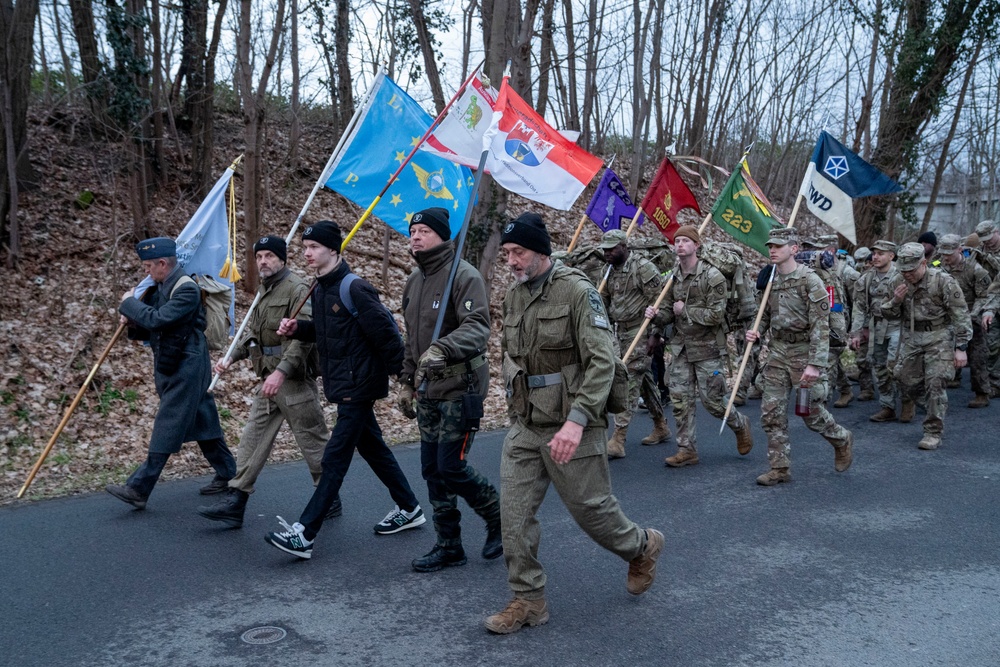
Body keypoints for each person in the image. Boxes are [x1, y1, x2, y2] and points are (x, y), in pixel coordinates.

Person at [485, 212, 664, 634]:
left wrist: (577, 421)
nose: (511, 261)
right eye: (507, 253)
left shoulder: (578, 292)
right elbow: (513, 356)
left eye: (519, 252)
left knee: (592, 513)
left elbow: (603, 361)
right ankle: (528, 600)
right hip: (527, 424)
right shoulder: (514, 296)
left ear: (541, 251)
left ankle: (641, 546)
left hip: (572, 420)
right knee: (512, 516)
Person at [264, 221, 425, 559]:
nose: (307, 253)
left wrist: (407, 380)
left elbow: (387, 337)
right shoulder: (320, 288)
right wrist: (299, 329)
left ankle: (306, 533)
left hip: (359, 385)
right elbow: (328, 333)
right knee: (374, 449)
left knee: (334, 458)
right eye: (305, 248)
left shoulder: (355, 288)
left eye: (314, 248)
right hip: (342, 383)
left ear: (333, 250)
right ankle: (409, 507)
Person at [198, 235, 336, 528]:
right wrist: (231, 357)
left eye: (269, 256)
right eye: (259, 256)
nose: (263, 261)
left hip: (293, 380)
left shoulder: (297, 288)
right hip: (268, 379)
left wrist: (282, 371)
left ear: (282, 259)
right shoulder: (265, 290)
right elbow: (252, 331)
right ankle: (236, 501)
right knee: (252, 439)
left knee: (313, 442)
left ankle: (329, 496)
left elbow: (303, 340)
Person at [396, 207, 502, 573]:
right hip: (428, 390)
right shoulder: (414, 281)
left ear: (442, 235)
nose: (416, 236)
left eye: (424, 230)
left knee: (451, 466)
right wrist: (407, 383)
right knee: (431, 468)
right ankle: (448, 544)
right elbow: (412, 340)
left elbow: (478, 327)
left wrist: (443, 349)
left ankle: (497, 516)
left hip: (461, 386)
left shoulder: (464, 275)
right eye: (413, 231)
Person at [106, 237, 236, 509]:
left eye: (148, 266)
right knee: (203, 420)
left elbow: (158, 319)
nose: (146, 271)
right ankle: (230, 475)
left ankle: (139, 488)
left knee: (169, 422)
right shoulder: (161, 285)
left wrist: (129, 303)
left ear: (163, 263)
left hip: (187, 366)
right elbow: (152, 325)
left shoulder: (186, 288)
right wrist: (131, 319)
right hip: (174, 362)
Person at [745, 228, 853, 486]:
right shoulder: (769, 279)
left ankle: (840, 438)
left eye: (779, 246)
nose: (772, 249)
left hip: (804, 353)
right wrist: (756, 331)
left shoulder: (809, 280)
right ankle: (779, 468)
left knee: (810, 411)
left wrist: (815, 364)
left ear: (794, 249)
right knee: (771, 412)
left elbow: (821, 326)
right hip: (778, 352)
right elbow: (765, 315)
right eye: (770, 245)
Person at [642, 225, 753, 467]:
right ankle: (687, 449)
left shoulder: (711, 276)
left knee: (713, 401)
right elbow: (668, 312)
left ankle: (739, 423)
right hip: (681, 347)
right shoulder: (673, 276)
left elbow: (716, 315)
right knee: (681, 400)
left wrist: (686, 310)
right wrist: (655, 315)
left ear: (696, 245)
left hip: (707, 348)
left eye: (685, 241)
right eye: (677, 241)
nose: (680, 244)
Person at [880, 243, 971, 450]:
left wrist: (961, 347)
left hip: (939, 336)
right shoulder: (897, 280)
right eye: (903, 270)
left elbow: (961, 315)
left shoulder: (943, 281)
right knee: (903, 377)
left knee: (935, 381)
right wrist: (895, 301)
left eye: (911, 270)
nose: (907, 274)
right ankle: (935, 404)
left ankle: (933, 430)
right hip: (912, 336)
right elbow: (885, 313)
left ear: (924, 263)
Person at [599, 229, 670, 459]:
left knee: (628, 378)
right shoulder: (607, 270)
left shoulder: (643, 268)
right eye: (605, 249)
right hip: (619, 332)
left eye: (612, 249)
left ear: (624, 247)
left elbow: (660, 303)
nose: (607, 253)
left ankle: (619, 437)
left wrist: (656, 335)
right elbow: (604, 303)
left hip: (641, 331)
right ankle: (661, 424)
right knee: (643, 379)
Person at [850, 240, 905, 422]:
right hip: (877, 327)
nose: (875, 257)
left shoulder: (902, 275)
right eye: (874, 253)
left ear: (891, 255)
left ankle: (907, 399)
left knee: (895, 366)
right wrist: (857, 332)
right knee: (879, 367)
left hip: (898, 326)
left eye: (881, 253)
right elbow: (858, 306)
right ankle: (887, 406)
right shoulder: (866, 278)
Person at [936, 234, 991, 407]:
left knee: (977, 357)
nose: (945, 257)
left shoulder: (975, 270)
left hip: (970, 316)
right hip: (946, 317)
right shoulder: (938, 266)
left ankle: (982, 392)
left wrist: (972, 315)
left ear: (960, 249)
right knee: (940, 354)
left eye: (949, 254)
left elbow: (984, 296)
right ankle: (943, 387)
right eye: (943, 253)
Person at [801, 234, 855, 408]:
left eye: (817, 249)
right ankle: (846, 389)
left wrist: (854, 329)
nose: (812, 254)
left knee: (829, 360)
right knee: (831, 360)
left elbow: (855, 300)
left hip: (837, 323)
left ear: (830, 251)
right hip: (822, 321)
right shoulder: (815, 271)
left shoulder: (844, 271)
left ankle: (820, 404)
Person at [971, 220, 1000, 397]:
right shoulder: (979, 249)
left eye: (989, 238)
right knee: (992, 344)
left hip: (995, 297)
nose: (987, 242)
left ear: (997, 232)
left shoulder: (987, 254)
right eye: (983, 239)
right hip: (991, 300)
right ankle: (994, 382)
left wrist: (988, 259)